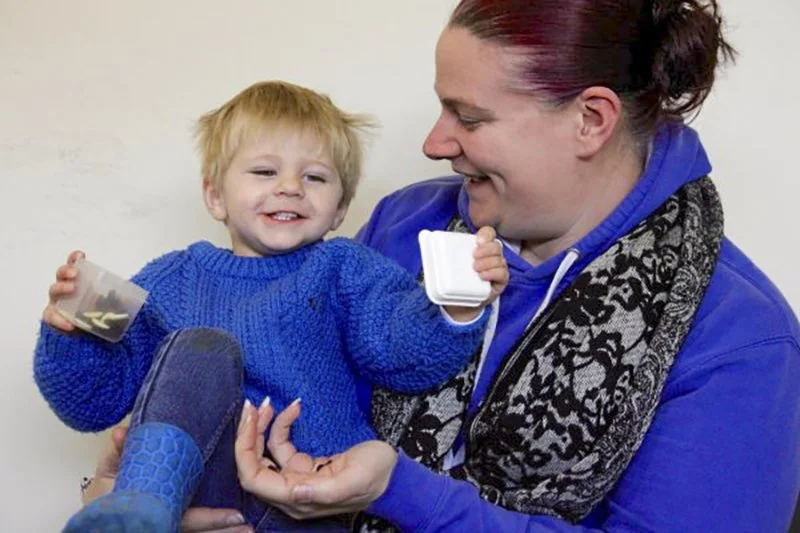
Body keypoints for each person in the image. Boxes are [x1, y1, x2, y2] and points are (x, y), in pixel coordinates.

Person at [84, 0, 800, 531]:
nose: (433, 142)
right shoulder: (406, 223)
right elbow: (274, 367)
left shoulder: (740, 339)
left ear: (590, 120)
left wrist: (401, 491)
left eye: (470, 117)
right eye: (440, 109)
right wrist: (157, 488)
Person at [35, 80, 509, 533]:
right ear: (215, 196)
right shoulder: (171, 279)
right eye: (265, 171)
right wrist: (72, 334)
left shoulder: (342, 267)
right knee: (200, 347)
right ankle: (142, 505)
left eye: (314, 176)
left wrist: (457, 307)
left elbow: (399, 351)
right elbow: (94, 403)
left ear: (340, 208)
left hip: (308, 493)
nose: (290, 187)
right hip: (198, 494)